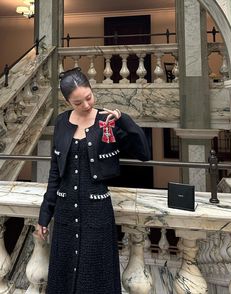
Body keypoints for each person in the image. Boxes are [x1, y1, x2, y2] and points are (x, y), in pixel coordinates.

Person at [36, 67, 151, 294]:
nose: (86, 105)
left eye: (88, 98)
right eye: (78, 102)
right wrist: (44, 214)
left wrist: (124, 120)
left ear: (91, 90)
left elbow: (144, 154)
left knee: (95, 275)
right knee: (63, 275)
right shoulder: (61, 123)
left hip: (97, 213)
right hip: (65, 212)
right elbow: (55, 172)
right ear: (67, 101)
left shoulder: (106, 121)